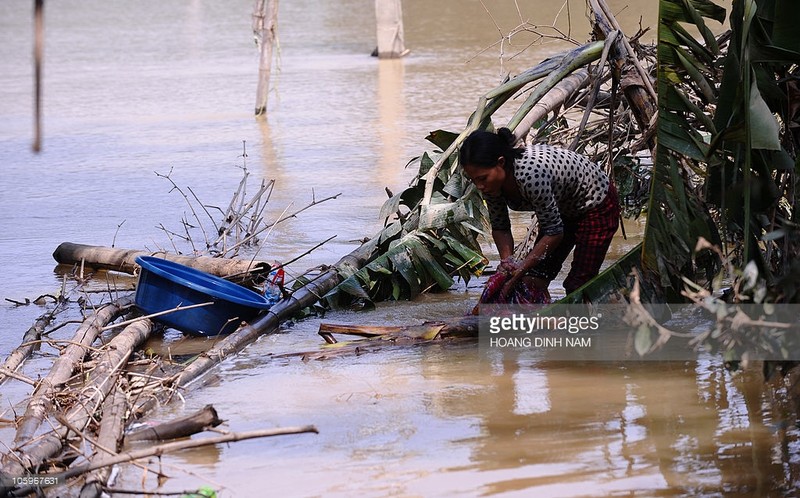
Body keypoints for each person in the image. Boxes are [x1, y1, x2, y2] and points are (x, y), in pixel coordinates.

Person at [459, 127, 620, 302]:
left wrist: (521, 268)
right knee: (533, 280)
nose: (479, 186)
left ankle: (583, 324)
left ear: (501, 162)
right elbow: (500, 226)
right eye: (474, 180)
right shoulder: (491, 185)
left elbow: (554, 232)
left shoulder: (531, 176)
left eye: (482, 178)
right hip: (562, 209)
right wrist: (508, 264)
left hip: (596, 203)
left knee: (579, 283)